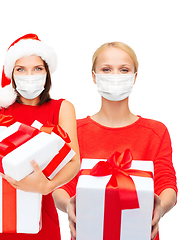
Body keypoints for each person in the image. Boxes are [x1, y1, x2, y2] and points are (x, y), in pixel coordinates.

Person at [0, 34, 80, 239]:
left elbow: (74, 160)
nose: (29, 75)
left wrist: (48, 185)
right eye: (21, 69)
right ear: (11, 74)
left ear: (47, 73)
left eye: (37, 68)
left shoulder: (62, 108)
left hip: (40, 209)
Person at [52, 42, 177, 240]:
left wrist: (159, 208)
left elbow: (166, 182)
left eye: (124, 70)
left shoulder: (155, 131)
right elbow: (61, 184)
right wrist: (69, 206)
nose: (115, 76)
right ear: (94, 76)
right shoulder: (74, 130)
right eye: (106, 69)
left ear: (135, 77)